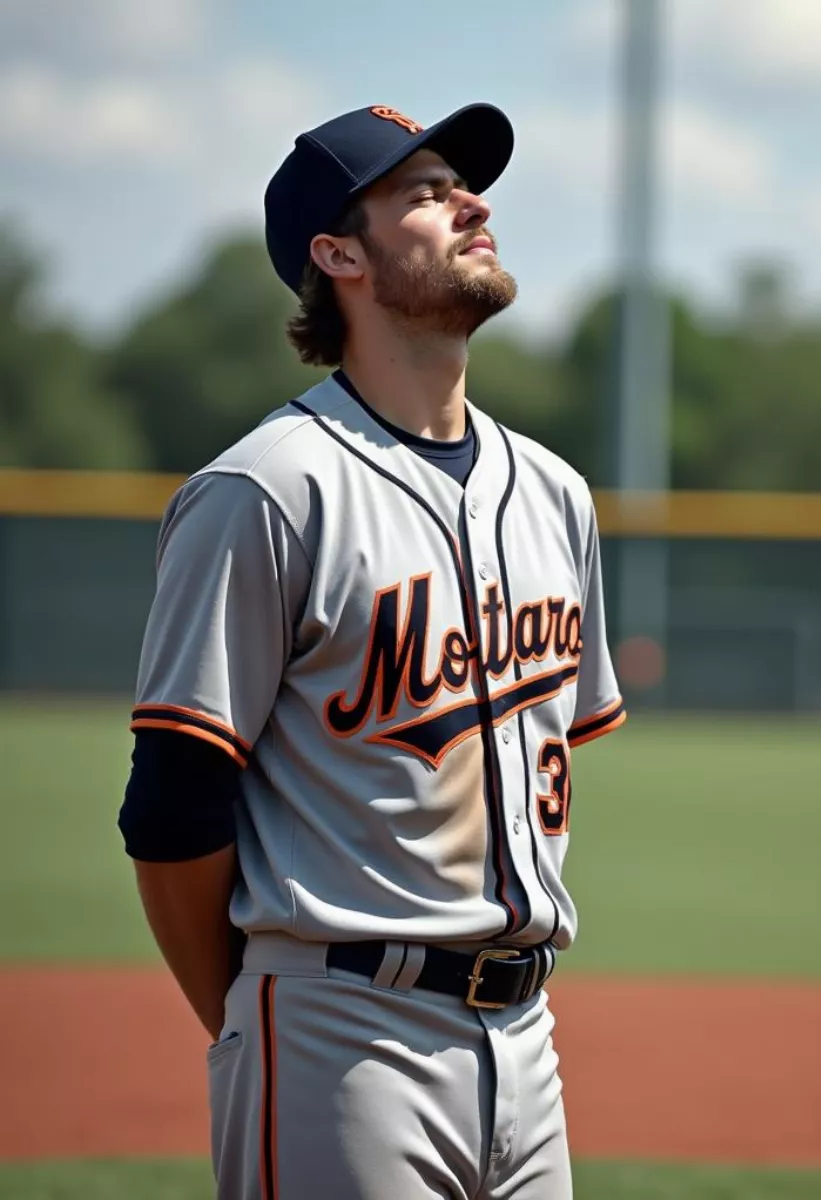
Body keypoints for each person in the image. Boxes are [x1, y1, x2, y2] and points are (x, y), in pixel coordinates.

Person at [118, 101, 626, 1200]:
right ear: (337, 253)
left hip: (529, 1038)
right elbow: (173, 809)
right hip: (338, 1030)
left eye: (463, 186)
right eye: (427, 192)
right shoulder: (265, 491)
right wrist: (257, 1021)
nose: (473, 205)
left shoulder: (555, 493)